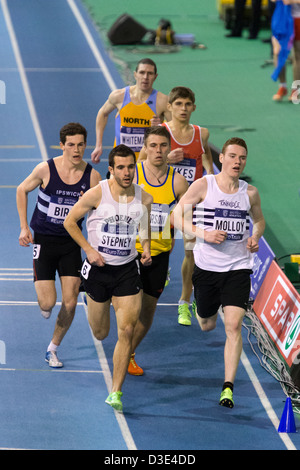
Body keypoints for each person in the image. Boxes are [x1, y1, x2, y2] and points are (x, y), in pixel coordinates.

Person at [171, 137, 265, 408]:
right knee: (207, 324)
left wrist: (255, 236)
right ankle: (202, 308)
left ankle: (228, 388)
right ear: (221, 158)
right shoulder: (204, 185)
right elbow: (176, 217)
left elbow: (258, 220)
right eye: (233, 156)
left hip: (238, 267)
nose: (237, 161)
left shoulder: (250, 193)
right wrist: (204, 234)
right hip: (207, 267)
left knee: (234, 325)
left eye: (242, 157)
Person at [64, 144, 152, 412]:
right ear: (111, 170)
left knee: (126, 330)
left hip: (127, 270)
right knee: (101, 333)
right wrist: (89, 250)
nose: (127, 173)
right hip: (98, 271)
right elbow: (69, 222)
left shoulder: (144, 199)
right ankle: (93, 303)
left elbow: (145, 229)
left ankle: (116, 391)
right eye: (121, 168)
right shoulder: (97, 194)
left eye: (131, 167)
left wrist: (146, 249)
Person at [16, 123, 101, 368]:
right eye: (71, 145)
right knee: (47, 304)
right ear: (62, 145)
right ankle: (45, 302)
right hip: (43, 241)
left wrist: (93, 246)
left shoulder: (92, 177)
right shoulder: (46, 169)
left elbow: (98, 213)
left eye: (81, 145)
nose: (76, 150)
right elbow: (22, 189)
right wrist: (24, 227)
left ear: (86, 145)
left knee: (71, 302)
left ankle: (52, 349)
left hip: (71, 243)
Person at [139, 86, 214, 326]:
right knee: (164, 245)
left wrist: (212, 190)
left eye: (187, 104)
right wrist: (166, 159)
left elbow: (208, 166)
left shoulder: (201, 134)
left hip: (191, 202)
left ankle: (184, 302)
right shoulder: (160, 132)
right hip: (163, 199)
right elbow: (140, 161)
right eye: (178, 104)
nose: (183, 109)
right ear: (169, 106)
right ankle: (161, 270)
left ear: (194, 107)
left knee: (191, 251)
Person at [128, 126, 189, 376]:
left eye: (163, 146)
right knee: (129, 308)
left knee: (147, 310)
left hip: (159, 254)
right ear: (145, 147)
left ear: (169, 148)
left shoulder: (179, 181)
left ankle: (128, 353)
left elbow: (186, 217)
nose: (158, 150)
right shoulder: (133, 174)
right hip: (129, 251)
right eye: (152, 145)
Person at [91, 58, 171, 163]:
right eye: (142, 73)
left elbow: (175, 129)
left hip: (147, 163)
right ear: (135, 74)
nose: (145, 77)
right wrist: (98, 145)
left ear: (155, 77)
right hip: (120, 160)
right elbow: (103, 113)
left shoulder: (162, 101)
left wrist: (161, 126)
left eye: (150, 73)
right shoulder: (119, 96)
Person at [271, 0, 300, 101]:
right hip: (282, 19)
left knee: (297, 56)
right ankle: (282, 86)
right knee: (277, 53)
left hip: (298, 19)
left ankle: (296, 90)